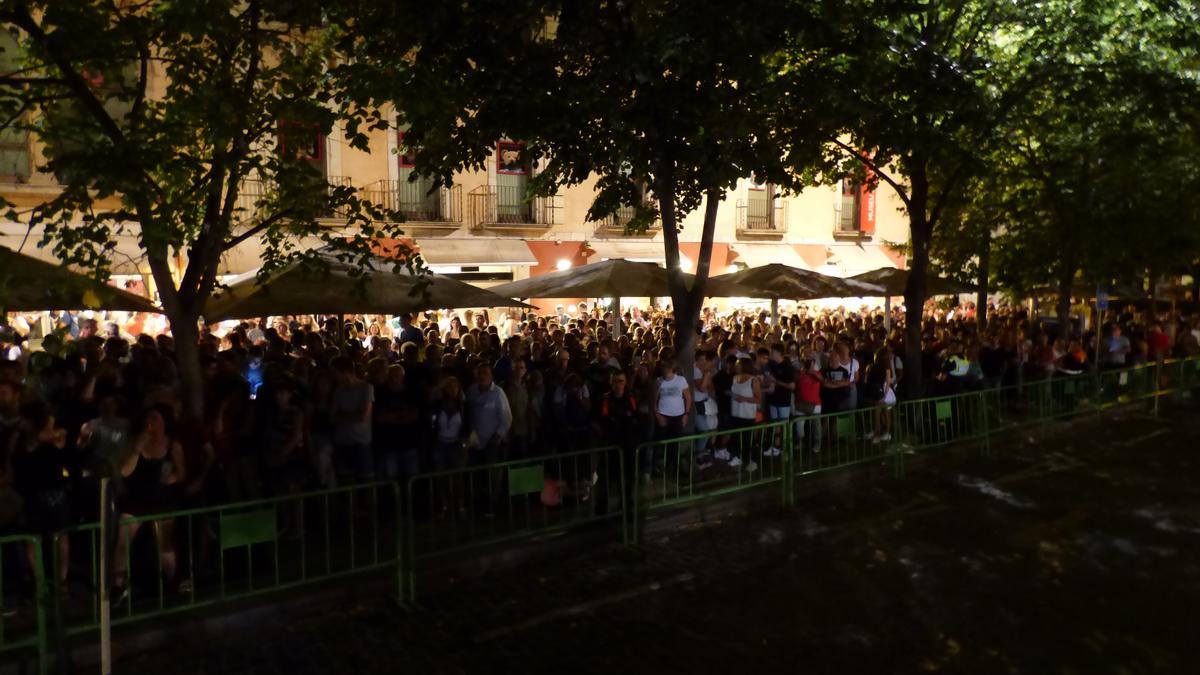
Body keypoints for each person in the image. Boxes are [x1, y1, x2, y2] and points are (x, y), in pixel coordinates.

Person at [113, 405, 187, 602]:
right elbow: (124, 471)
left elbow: (181, 473)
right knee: (123, 539)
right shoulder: (136, 442)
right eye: (149, 419)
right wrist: (137, 449)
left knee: (164, 543)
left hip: (162, 500)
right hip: (136, 500)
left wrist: (170, 479)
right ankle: (118, 586)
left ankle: (172, 581)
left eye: (156, 419)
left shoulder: (173, 446)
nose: (151, 423)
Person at [329, 356, 375, 484]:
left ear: (344, 371)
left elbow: (362, 416)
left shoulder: (366, 387)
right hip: (343, 441)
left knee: (365, 480)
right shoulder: (338, 390)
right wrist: (352, 415)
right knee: (346, 481)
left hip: (361, 442)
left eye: (335, 372)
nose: (333, 376)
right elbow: (332, 416)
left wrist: (342, 415)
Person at [728, 358, 761, 472]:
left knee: (748, 439)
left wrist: (745, 399)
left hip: (747, 414)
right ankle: (737, 457)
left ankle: (752, 460)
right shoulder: (734, 378)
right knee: (736, 437)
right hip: (736, 412)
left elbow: (758, 399)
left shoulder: (753, 380)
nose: (736, 366)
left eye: (738, 364)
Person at [653, 360, 691, 441]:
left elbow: (688, 398)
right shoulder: (658, 381)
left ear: (671, 370)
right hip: (663, 415)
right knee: (661, 442)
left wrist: (686, 414)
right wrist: (658, 416)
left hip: (678, 417)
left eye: (667, 373)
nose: (666, 376)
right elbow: (654, 400)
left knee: (675, 443)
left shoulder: (681, 380)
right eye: (664, 374)